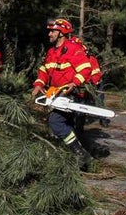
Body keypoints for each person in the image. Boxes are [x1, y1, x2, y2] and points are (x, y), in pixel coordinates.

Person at [30, 18, 97, 170]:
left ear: (62, 33)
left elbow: (86, 68)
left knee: (56, 122)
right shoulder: (51, 52)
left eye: (52, 31)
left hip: (70, 93)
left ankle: (80, 154)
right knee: (66, 126)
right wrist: (38, 84)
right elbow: (44, 71)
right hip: (55, 94)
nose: (49, 34)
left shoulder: (73, 49)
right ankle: (74, 156)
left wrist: (75, 83)